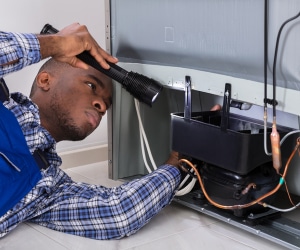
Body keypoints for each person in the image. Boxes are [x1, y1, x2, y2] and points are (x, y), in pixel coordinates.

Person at [0, 23, 185, 240]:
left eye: (107, 104)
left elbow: (116, 213)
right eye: (91, 86)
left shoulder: (47, 186)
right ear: (45, 80)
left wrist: (180, 162)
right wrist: (55, 44)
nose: (102, 106)